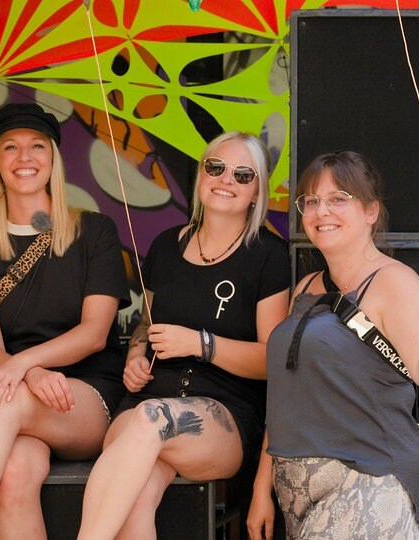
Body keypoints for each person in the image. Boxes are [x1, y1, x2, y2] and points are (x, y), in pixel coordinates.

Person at [0, 102, 130, 540]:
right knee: (13, 472)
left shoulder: (94, 231)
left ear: (53, 159)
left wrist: (23, 366)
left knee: (8, 398)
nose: (25, 157)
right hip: (17, 394)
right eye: (11, 147)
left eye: (37, 146)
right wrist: (30, 373)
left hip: (88, 396)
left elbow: (94, 334)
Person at [77, 131, 290, 539]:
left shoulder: (269, 255)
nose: (226, 179)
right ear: (201, 175)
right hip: (144, 401)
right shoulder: (165, 246)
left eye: (243, 175)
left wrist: (201, 344)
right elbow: (145, 327)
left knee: (150, 420)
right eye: (216, 167)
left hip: (224, 413)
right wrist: (135, 357)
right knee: (136, 499)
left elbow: (273, 361)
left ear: (256, 192)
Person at [247, 151, 419, 539]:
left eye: (338, 198)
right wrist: (261, 488)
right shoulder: (306, 287)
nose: (321, 211)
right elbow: (284, 396)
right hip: (294, 494)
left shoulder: (394, 282)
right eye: (311, 201)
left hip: (369, 483)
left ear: (371, 211)